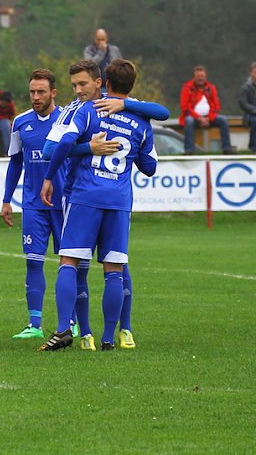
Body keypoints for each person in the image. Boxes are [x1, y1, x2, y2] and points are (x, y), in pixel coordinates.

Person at [41, 58, 169, 351]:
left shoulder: (88, 110)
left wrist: (49, 178)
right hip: (119, 200)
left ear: (104, 84)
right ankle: (110, 337)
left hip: (85, 196)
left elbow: (60, 146)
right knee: (114, 269)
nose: (77, 90)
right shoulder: (141, 121)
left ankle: (65, 329)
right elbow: (149, 167)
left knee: (69, 262)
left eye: (81, 84)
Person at [1, 69, 119, 340]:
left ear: (53, 92)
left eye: (41, 91)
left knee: (74, 264)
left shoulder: (69, 117)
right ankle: (34, 324)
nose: (36, 96)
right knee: (33, 262)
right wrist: (7, 199)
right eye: (32, 91)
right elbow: (15, 163)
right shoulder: (20, 122)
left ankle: (73, 321)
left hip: (66, 202)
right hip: (32, 203)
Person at [179, 66, 235, 154]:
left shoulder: (211, 88)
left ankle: (227, 148)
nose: (200, 79)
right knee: (188, 121)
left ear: (206, 77)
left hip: (209, 118)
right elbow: (185, 107)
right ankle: (189, 150)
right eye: (198, 76)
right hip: (193, 117)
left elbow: (216, 106)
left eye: (202, 76)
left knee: (223, 120)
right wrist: (199, 118)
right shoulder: (187, 88)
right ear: (194, 77)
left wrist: (208, 118)